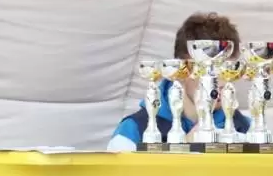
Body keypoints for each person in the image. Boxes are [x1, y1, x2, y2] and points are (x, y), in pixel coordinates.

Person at [107, 12, 251, 152]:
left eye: (227, 69)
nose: (221, 82)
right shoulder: (133, 131)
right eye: (207, 69)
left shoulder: (245, 128)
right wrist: (184, 149)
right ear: (181, 69)